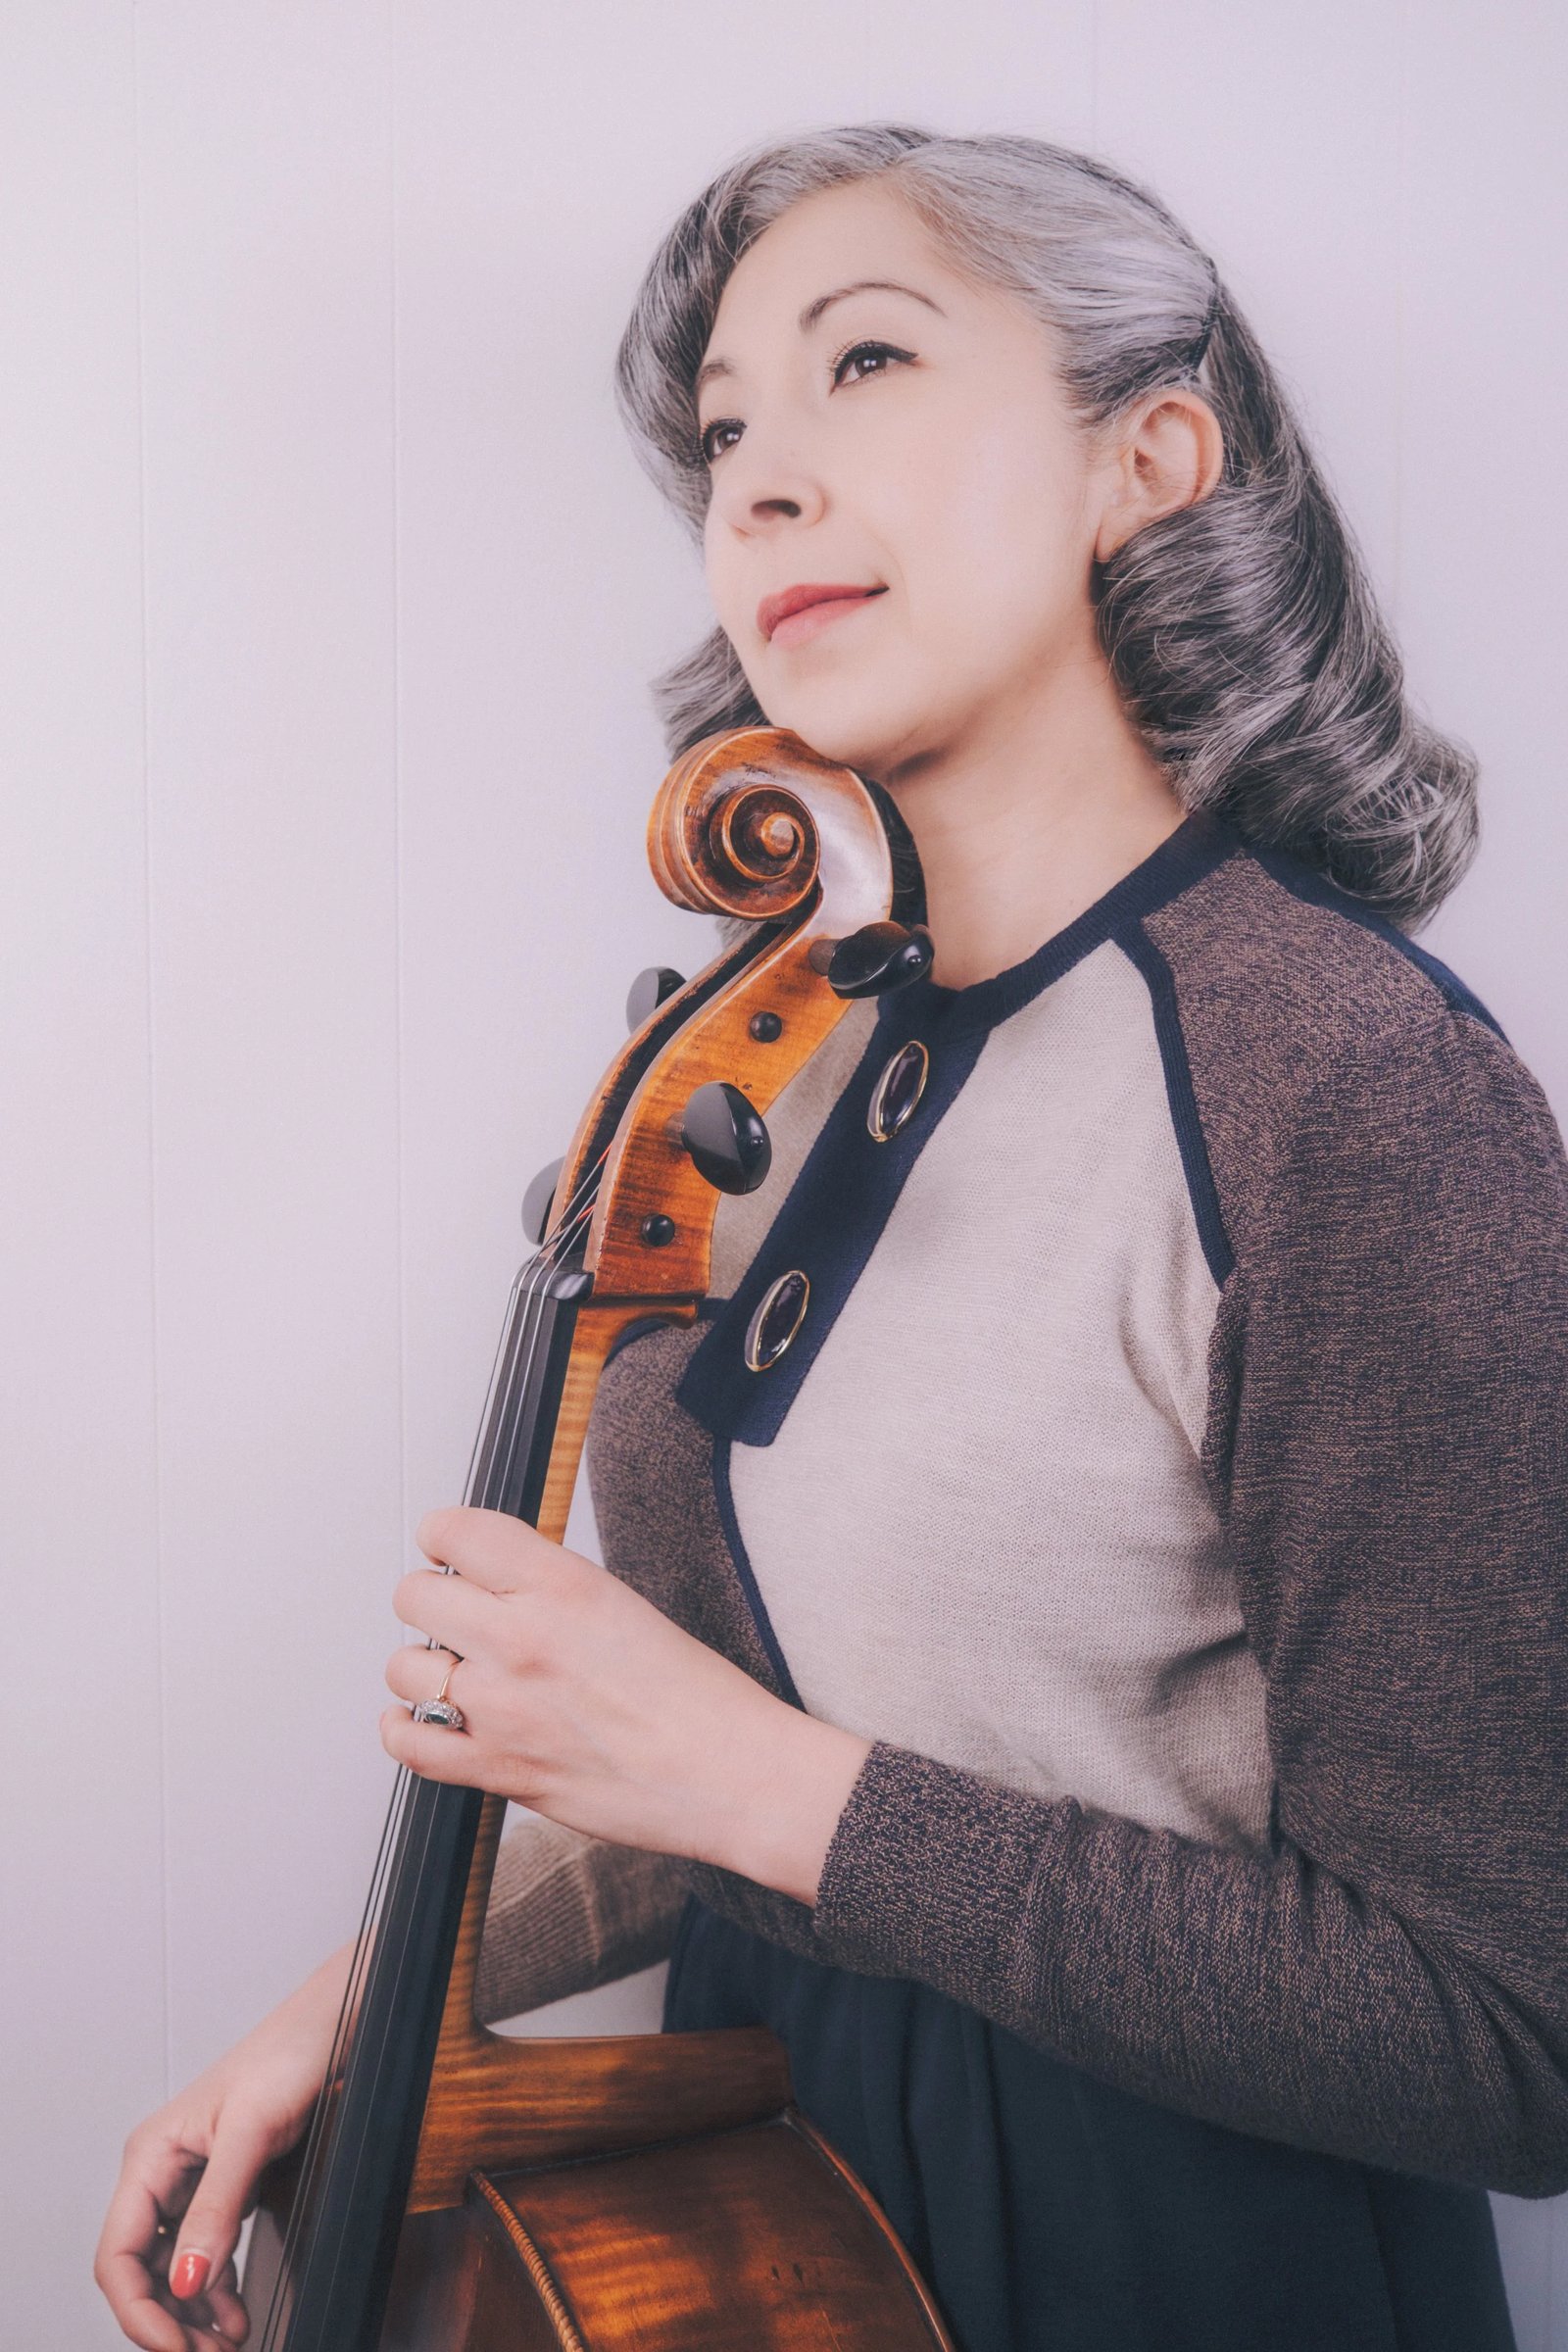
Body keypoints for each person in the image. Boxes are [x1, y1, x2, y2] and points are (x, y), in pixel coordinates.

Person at [97, 123, 1568, 2352]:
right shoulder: (758, 1072)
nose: (759, 486)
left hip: (1162, 2253)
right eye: (721, 437)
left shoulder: (1343, 1089)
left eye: (862, 362)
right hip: (755, 2185)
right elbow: (724, 1751)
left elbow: (1503, 2033)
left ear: (1148, 460)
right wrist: (377, 1995)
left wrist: (761, 1787)